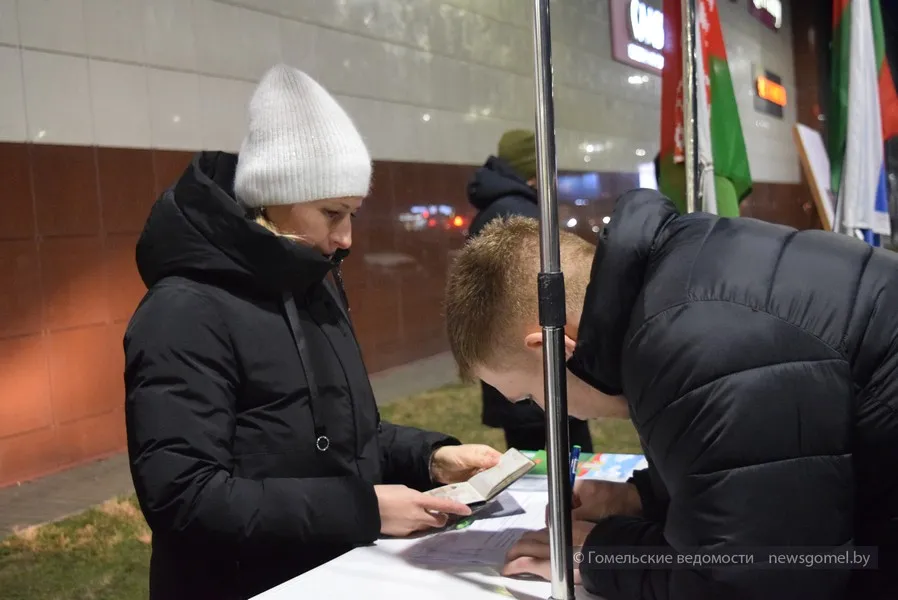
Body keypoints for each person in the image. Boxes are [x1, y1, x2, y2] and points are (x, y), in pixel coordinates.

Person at [123, 64, 502, 600]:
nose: (345, 238)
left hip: (336, 574)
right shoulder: (183, 311)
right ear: (275, 194)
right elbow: (185, 497)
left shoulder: (312, 285)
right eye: (332, 213)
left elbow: (341, 433)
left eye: (353, 213)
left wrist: (429, 459)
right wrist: (363, 510)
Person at [443, 188, 898, 599]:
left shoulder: (693, 344)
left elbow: (760, 577)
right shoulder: (682, 270)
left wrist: (607, 555)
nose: (543, 411)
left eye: (528, 395)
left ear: (553, 350)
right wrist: (644, 497)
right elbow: (774, 463)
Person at [466, 129, 594, 453]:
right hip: (537, 371)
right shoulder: (521, 214)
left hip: (517, 367)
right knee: (561, 473)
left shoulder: (499, 208)